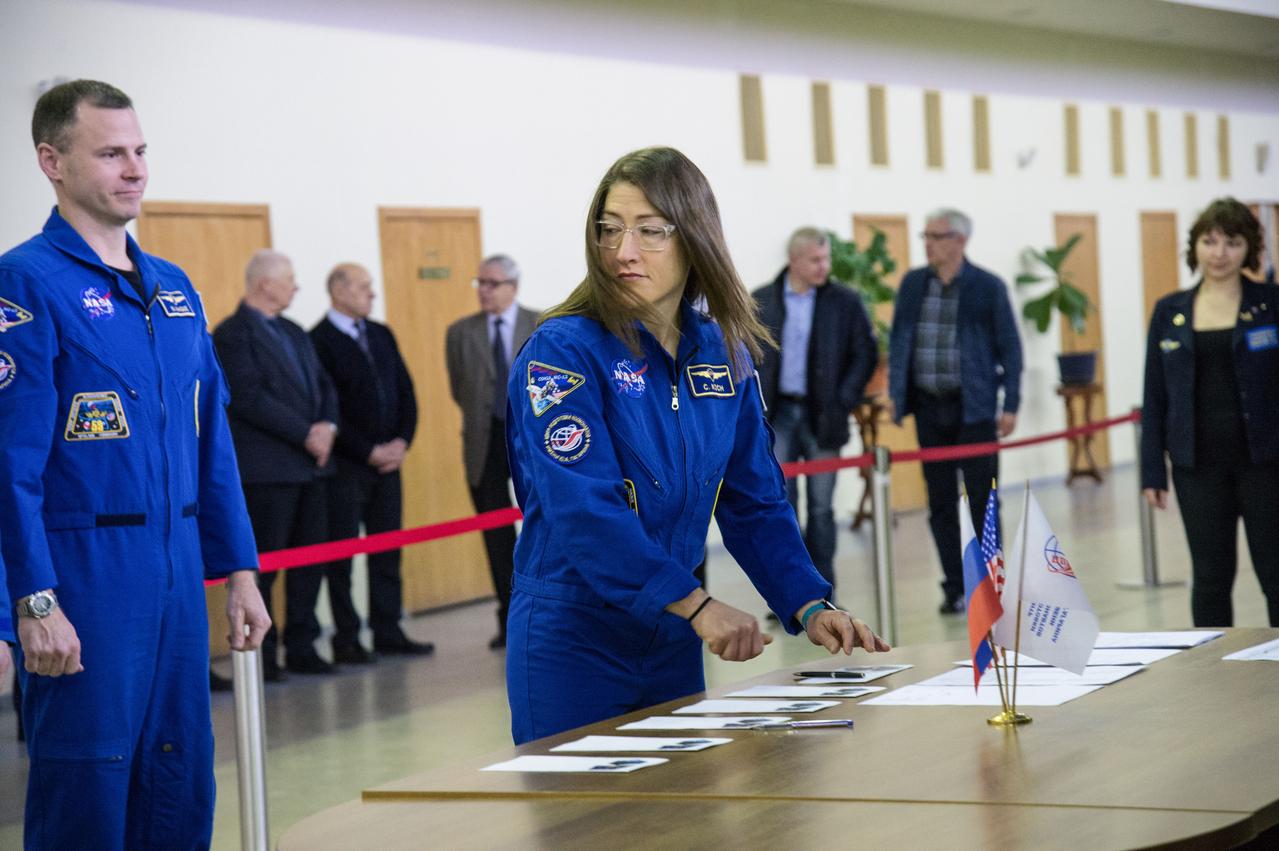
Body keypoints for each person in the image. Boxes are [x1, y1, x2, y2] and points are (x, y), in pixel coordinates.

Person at [504, 147, 890, 745]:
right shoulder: (563, 352)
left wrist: (811, 604)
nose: (623, 251)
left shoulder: (722, 351)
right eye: (609, 229)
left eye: (650, 231)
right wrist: (697, 605)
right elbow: (585, 512)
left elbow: (754, 501)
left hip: (672, 638)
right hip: (574, 640)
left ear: (696, 240)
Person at [0, 79, 270, 849]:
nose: (135, 169)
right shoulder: (24, 284)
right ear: (52, 161)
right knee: (88, 783)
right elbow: (7, 465)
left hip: (178, 574)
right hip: (87, 579)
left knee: (180, 776)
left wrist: (240, 571)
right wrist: (31, 601)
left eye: (140, 151)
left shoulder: (174, 289)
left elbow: (211, 445)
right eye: (111, 152)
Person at [1141, 198, 1279, 627]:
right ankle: (1211, 673)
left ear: (1249, 249)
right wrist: (1151, 471)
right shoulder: (1171, 311)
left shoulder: (1270, 303)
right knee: (1210, 579)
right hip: (1197, 466)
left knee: (1275, 575)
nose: (1219, 253)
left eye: (1232, 242)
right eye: (1210, 241)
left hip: (1266, 463)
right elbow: (1155, 394)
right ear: (1195, 246)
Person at [887, 208, 1022, 615]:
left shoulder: (987, 287)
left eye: (936, 236)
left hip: (975, 409)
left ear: (960, 240)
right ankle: (954, 585)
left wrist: (1011, 403)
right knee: (941, 503)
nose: (927, 243)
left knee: (982, 502)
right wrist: (897, 392)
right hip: (930, 408)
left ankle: (989, 584)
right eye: (924, 235)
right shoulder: (913, 284)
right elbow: (900, 342)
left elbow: (1011, 350)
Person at [214, 250, 338, 678]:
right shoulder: (232, 335)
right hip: (268, 471)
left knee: (311, 563)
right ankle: (263, 658)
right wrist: (306, 433)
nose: (296, 287)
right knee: (266, 567)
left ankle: (302, 646)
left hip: (312, 467)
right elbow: (248, 398)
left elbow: (322, 384)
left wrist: (327, 426)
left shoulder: (294, 330)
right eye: (289, 279)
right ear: (264, 283)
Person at [311, 263, 434, 660]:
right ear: (339, 291)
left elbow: (405, 391)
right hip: (347, 469)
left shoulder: (381, 334)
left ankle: (388, 628)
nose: (372, 294)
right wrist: (367, 451)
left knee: (388, 550)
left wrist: (402, 442)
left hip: (389, 465)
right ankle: (346, 637)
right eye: (364, 287)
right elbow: (328, 409)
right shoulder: (319, 341)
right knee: (342, 556)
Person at [753, 227, 877, 594]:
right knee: (781, 505)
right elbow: (746, 355)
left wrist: (844, 398)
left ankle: (823, 590)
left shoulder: (845, 301)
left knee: (822, 508)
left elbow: (864, 354)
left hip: (826, 415)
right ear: (794, 261)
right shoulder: (763, 300)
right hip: (779, 415)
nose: (824, 266)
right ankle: (790, 590)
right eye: (816, 259)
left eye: (826, 259)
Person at [445, 254, 537, 649]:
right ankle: (508, 617)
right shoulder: (460, 332)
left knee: (545, 526)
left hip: (532, 444)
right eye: (479, 282)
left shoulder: (541, 323)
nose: (483, 290)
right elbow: (459, 389)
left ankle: (546, 613)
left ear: (512, 288)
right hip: (484, 444)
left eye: (492, 283)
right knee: (496, 537)